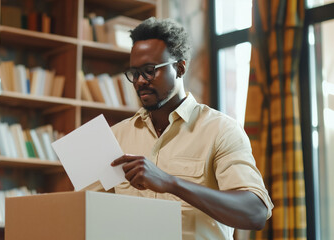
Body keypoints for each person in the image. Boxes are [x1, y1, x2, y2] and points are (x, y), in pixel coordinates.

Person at [108, 17, 274, 239]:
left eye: (149, 70)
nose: (140, 81)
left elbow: (255, 212)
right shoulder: (116, 136)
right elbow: (84, 211)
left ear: (179, 68)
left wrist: (170, 182)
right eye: (135, 73)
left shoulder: (221, 130)